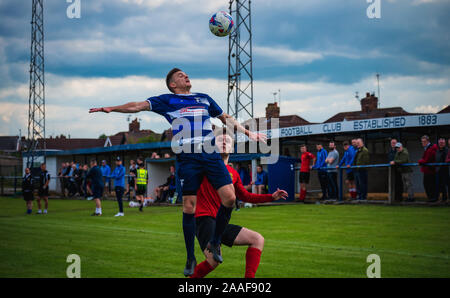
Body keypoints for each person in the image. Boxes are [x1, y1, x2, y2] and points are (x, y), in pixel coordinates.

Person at [89, 67, 266, 276]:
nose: (186, 76)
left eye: (186, 74)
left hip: (209, 153)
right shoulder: (166, 100)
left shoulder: (204, 98)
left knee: (229, 198)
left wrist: (248, 132)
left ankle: (215, 242)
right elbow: (137, 106)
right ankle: (190, 257)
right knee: (189, 206)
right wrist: (111, 108)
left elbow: (226, 118)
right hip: (188, 156)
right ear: (173, 85)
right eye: (180, 75)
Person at [191, 131, 288, 278]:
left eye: (228, 141)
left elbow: (245, 196)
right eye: (219, 140)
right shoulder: (204, 165)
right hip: (203, 219)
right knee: (213, 261)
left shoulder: (233, 173)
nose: (224, 142)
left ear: (232, 148)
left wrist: (271, 197)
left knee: (257, 239)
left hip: (220, 222)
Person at [418, 135, 438, 202]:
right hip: (428, 169)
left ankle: (432, 198)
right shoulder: (428, 148)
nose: (423, 143)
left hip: (430, 170)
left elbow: (426, 160)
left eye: (424, 141)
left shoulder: (430, 149)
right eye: (422, 142)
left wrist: (420, 161)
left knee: (429, 184)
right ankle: (431, 198)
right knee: (428, 184)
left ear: (428, 141)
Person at [435, 138, 449, 202]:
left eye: (442, 143)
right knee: (438, 185)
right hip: (438, 170)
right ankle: (440, 198)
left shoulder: (447, 150)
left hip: (445, 170)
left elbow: (446, 160)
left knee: (445, 184)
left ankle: (445, 198)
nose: (441, 144)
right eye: (440, 143)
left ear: (445, 143)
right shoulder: (437, 150)